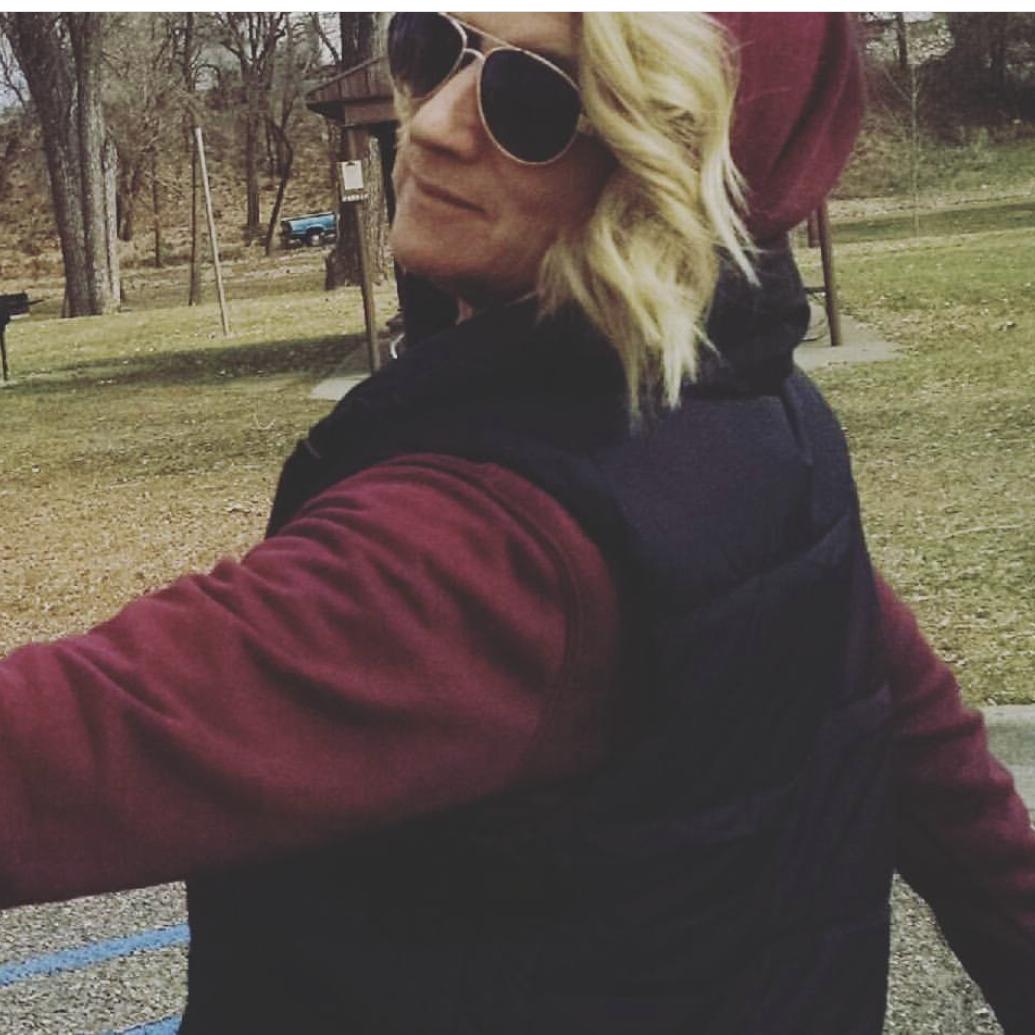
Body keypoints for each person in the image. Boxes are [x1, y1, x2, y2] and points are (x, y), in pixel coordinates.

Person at [0, 12, 1031, 1034]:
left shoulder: (503, 543)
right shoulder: (770, 419)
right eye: (431, 48)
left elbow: (60, 750)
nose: (433, 122)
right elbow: (945, 786)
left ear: (666, 168)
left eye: (532, 98)